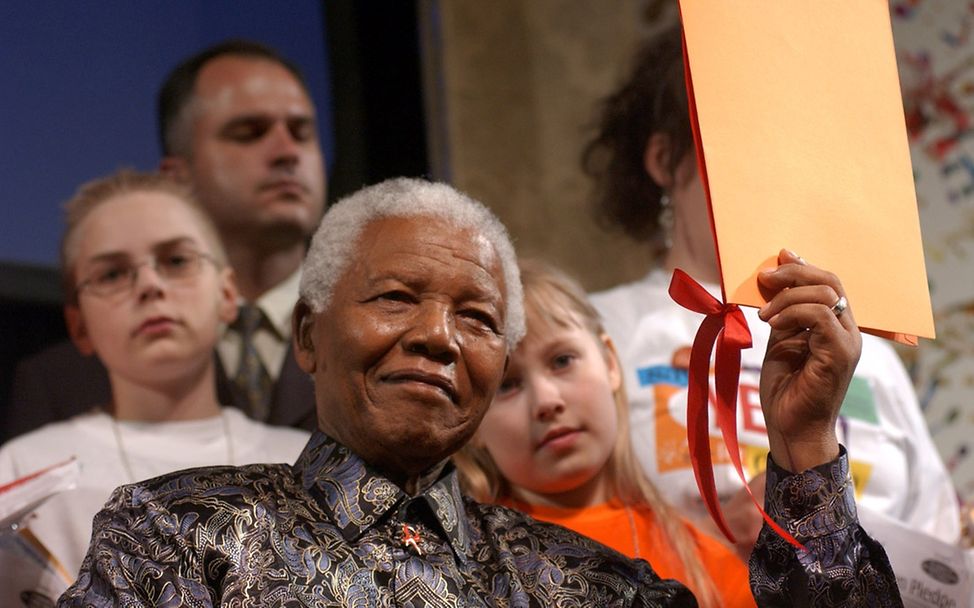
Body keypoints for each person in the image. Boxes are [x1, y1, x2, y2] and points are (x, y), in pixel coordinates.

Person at [60, 177, 902, 606]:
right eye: (395, 297)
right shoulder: (175, 533)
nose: (437, 334)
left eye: (476, 316)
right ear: (310, 337)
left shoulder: (592, 587)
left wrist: (801, 447)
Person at [583, 24, 960, 554]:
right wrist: (716, 536)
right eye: (748, 140)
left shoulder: (863, 349)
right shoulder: (596, 332)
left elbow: (938, 544)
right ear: (665, 160)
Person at [0, 171, 310, 602]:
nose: (150, 285)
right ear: (79, 324)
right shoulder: (22, 475)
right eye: (111, 274)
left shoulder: (309, 464)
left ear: (226, 294)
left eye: (177, 261)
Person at [5, 39, 326, 441]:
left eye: (301, 132)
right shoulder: (61, 382)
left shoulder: (373, 344)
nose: (287, 152)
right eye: (249, 133)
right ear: (177, 177)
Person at [455, 259, 755, 607]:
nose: (546, 401)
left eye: (562, 360)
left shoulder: (709, 564)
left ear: (611, 362)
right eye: (507, 384)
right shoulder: (454, 564)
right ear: (472, 419)